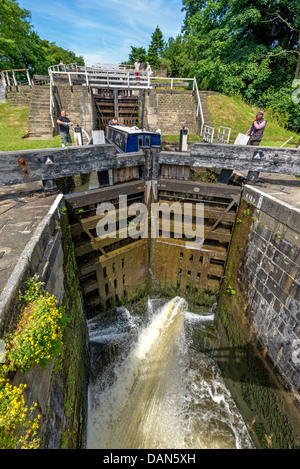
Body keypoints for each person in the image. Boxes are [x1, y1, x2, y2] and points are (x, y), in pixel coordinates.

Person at [245, 111, 267, 183]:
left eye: (257, 115)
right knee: (247, 148)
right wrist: (247, 133)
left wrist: (255, 122)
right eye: (256, 115)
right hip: (251, 137)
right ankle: (247, 161)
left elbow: (258, 127)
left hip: (256, 138)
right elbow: (251, 128)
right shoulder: (255, 121)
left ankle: (252, 162)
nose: (256, 116)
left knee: (254, 151)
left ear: (261, 115)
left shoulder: (263, 121)